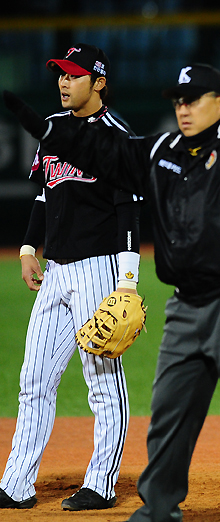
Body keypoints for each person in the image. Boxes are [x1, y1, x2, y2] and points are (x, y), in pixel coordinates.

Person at [3, 62, 220, 521]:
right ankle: (157, 509)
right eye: (178, 100)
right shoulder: (161, 150)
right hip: (185, 306)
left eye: (193, 99)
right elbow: (104, 153)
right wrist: (49, 133)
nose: (183, 108)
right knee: (169, 416)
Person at [0, 44, 142, 510]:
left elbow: (129, 208)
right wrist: (28, 249)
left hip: (100, 268)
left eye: (74, 75)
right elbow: (45, 196)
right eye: (60, 73)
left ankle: (101, 484)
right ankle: (16, 485)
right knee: (34, 379)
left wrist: (128, 281)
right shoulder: (53, 129)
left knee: (102, 380)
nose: (63, 81)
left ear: (98, 83)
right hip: (56, 271)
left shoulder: (117, 135)